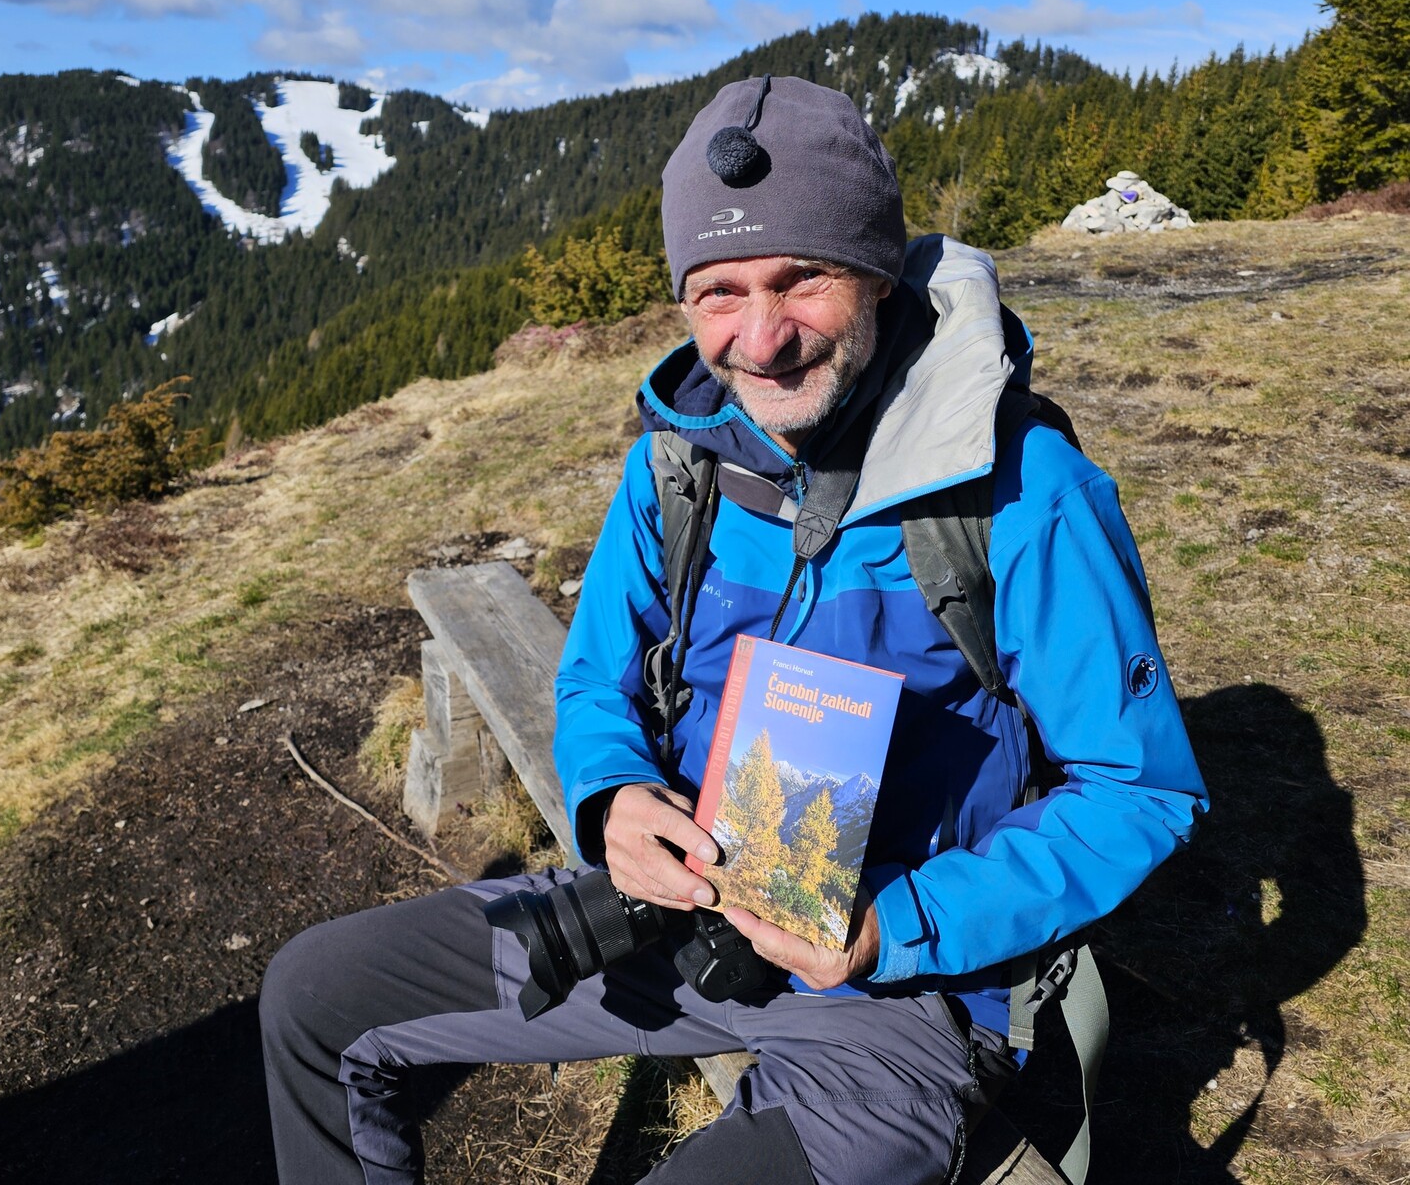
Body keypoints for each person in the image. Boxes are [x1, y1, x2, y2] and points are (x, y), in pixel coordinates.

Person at [260, 76, 1208, 1185]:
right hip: (671, 910)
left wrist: (891, 925)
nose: (759, 339)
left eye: (800, 276)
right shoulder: (679, 460)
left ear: (875, 270)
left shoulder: (1017, 490)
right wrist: (610, 797)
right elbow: (593, 682)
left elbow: (1139, 790)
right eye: (715, 291)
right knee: (314, 998)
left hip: (900, 990)